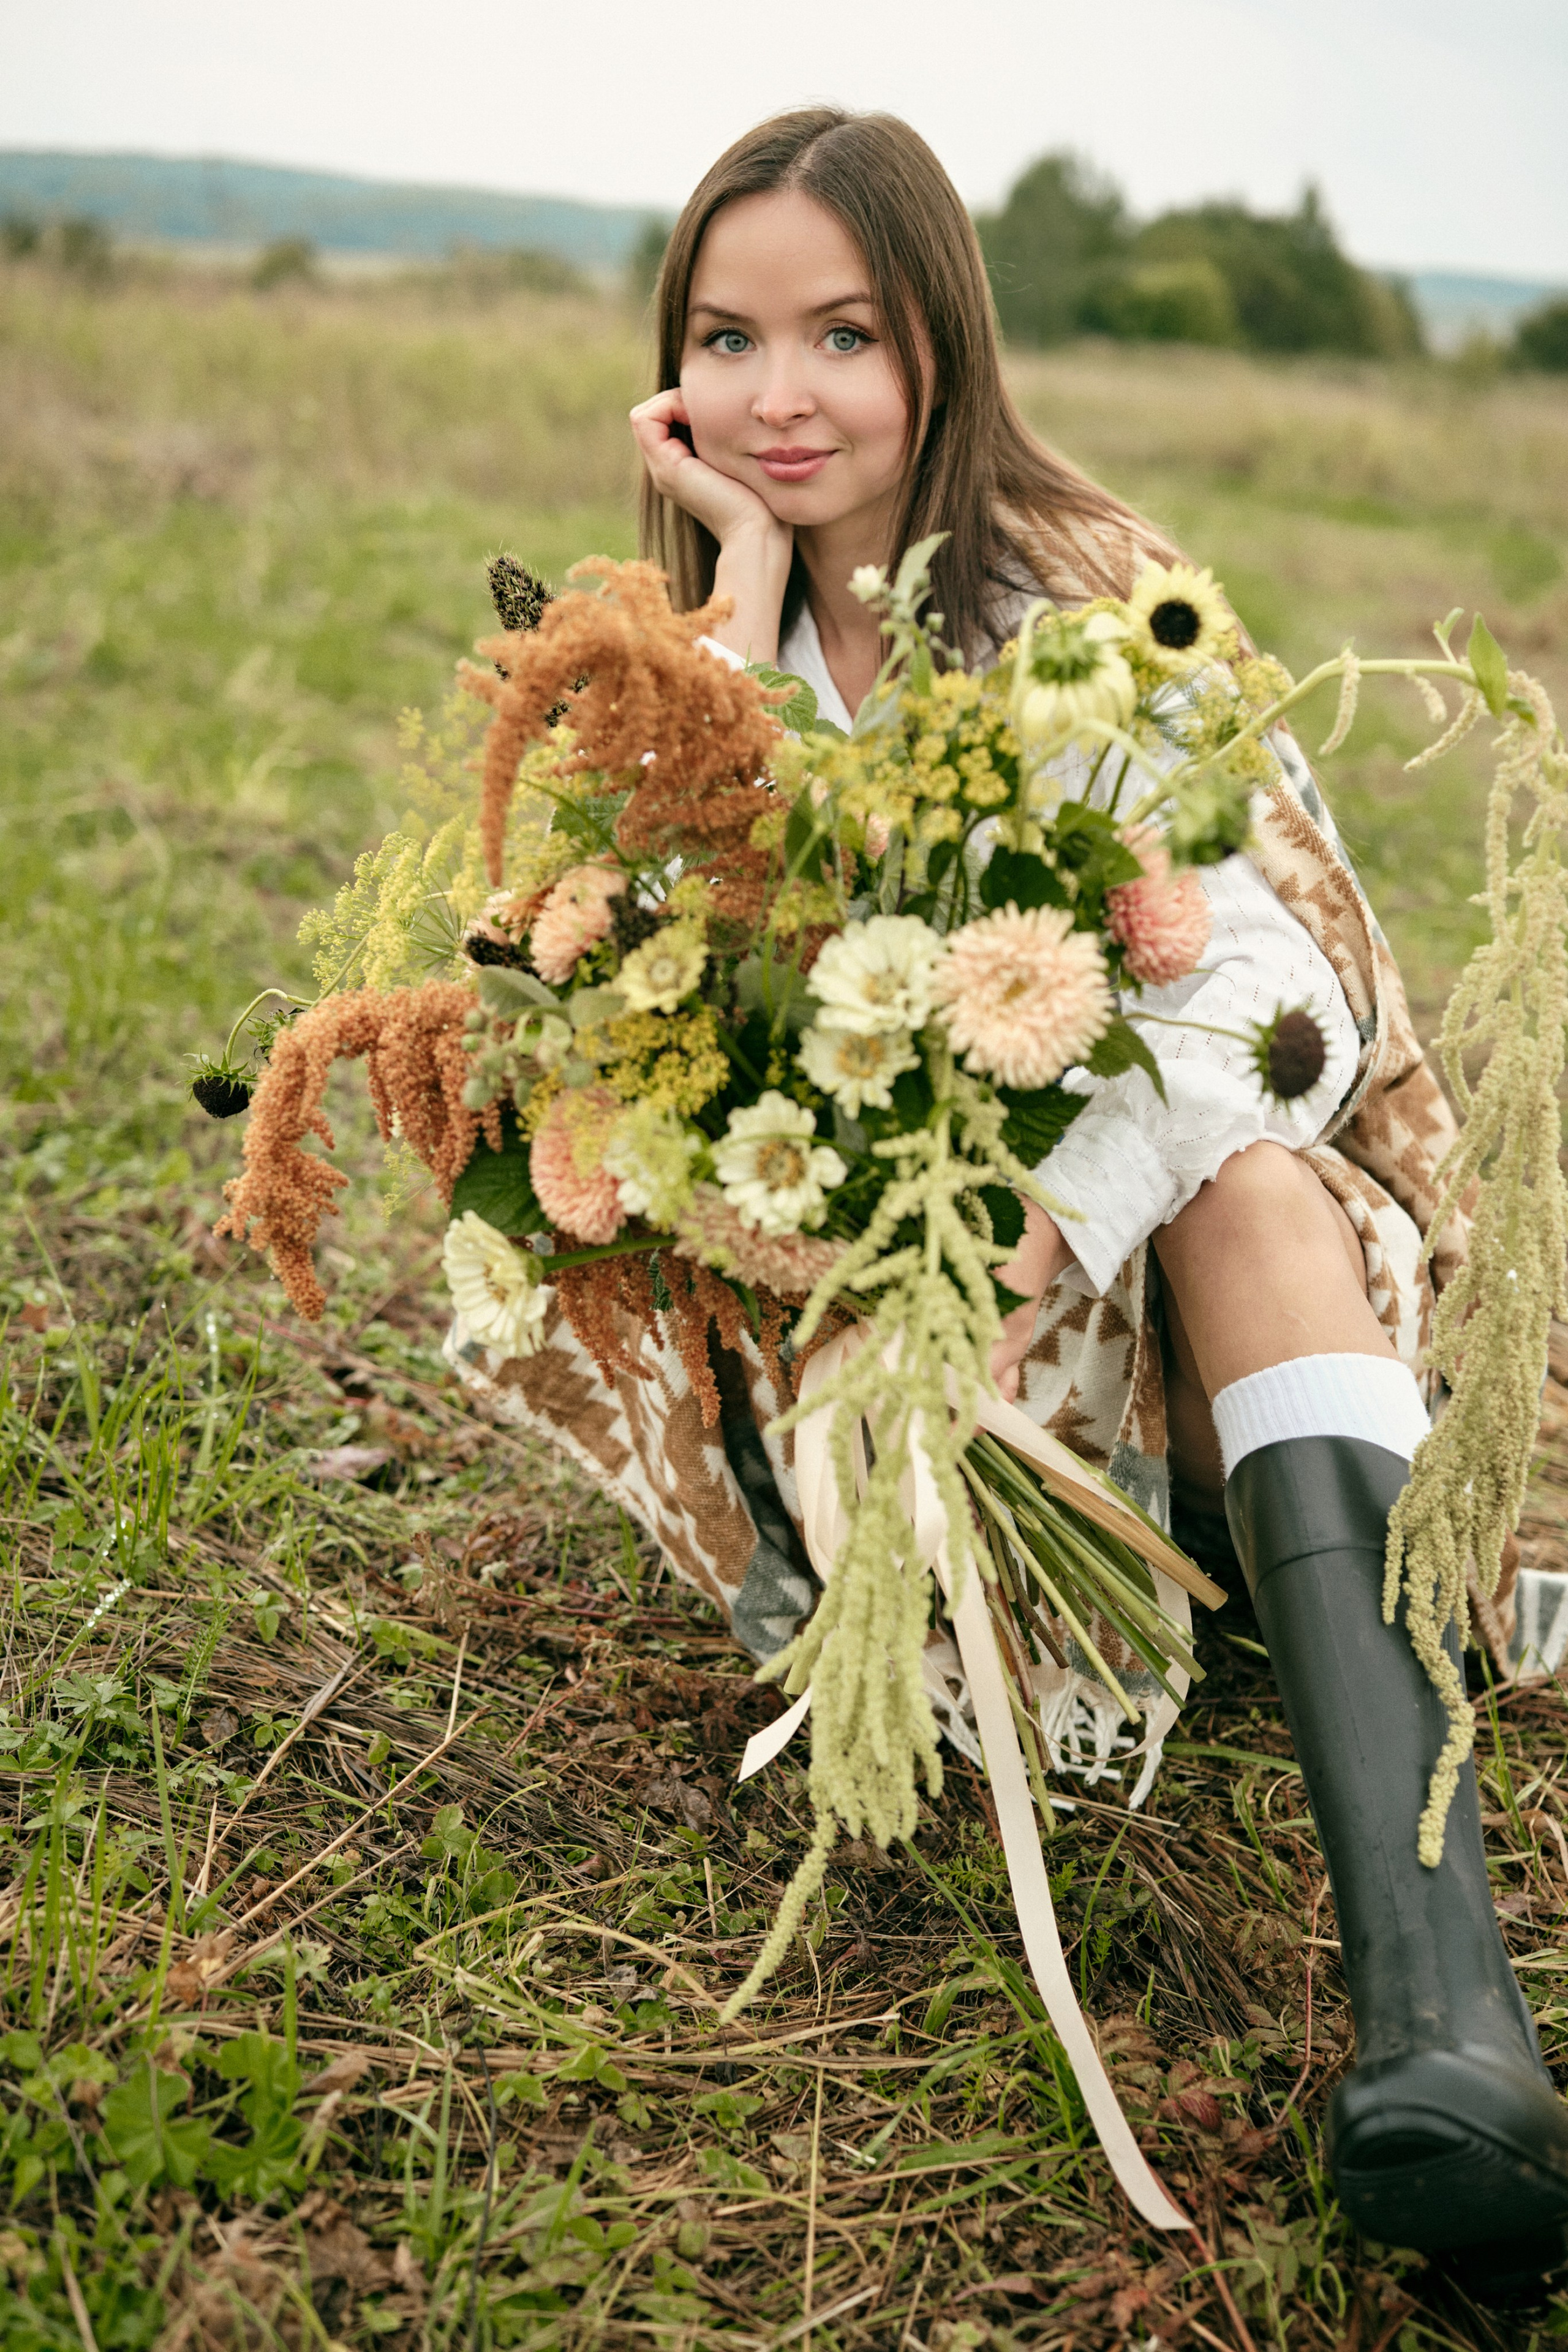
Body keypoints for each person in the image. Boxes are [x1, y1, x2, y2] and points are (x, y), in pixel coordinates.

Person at [463, 105, 1568, 2286]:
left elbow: (1275, 994)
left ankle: (1455, 2025)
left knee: (1242, 1173)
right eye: (729, 338)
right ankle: (1033, 1601)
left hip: (1203, 1327)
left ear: (941, 351)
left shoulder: (1080, 609)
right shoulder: (684, 655)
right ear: (671, 373)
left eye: (845, 336)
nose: (783, 397)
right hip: (938, 1377)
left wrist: (1055, 1211)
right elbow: (674, 1021)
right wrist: (748, 611)